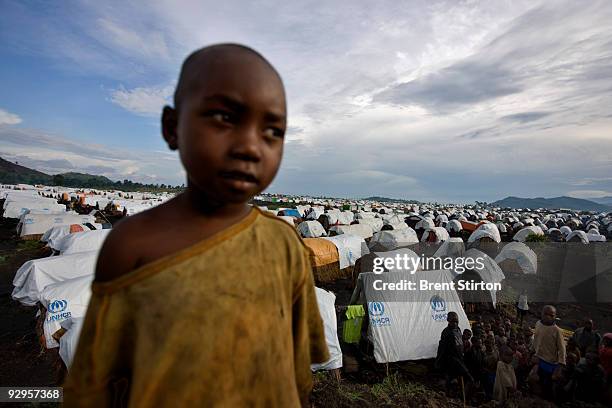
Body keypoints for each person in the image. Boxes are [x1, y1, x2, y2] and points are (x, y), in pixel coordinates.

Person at [63, 44, 329, 407]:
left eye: (272, 131)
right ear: (172, 128)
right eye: (223, 117)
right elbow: (95, 381)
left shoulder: (284, 242)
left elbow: (299, 369)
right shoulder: (133, 243)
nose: (251, 146)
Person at [533, 305, 566, 399]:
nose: (548, 317)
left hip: (550, 362)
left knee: (547, 384)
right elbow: (536, 339)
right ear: (541, 314)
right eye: (545, 314)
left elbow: (562, 349)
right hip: (538, 358)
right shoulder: (538, 324)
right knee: (536, 380)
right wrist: (532, 351)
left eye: (551, 315)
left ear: (555, 316)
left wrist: (560, 365)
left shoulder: (557, 330)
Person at [436, 311, 473, 395]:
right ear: (448, 320)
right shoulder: (446, 333)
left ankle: (459, 397)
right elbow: (442, 349)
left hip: (460, 360)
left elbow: (461, 344)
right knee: (469, 379)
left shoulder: (458, 330)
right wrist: (438, 362)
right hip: (452, 361)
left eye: (456, 321)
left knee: (457, 381)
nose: (455, 323)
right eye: (453, 321)